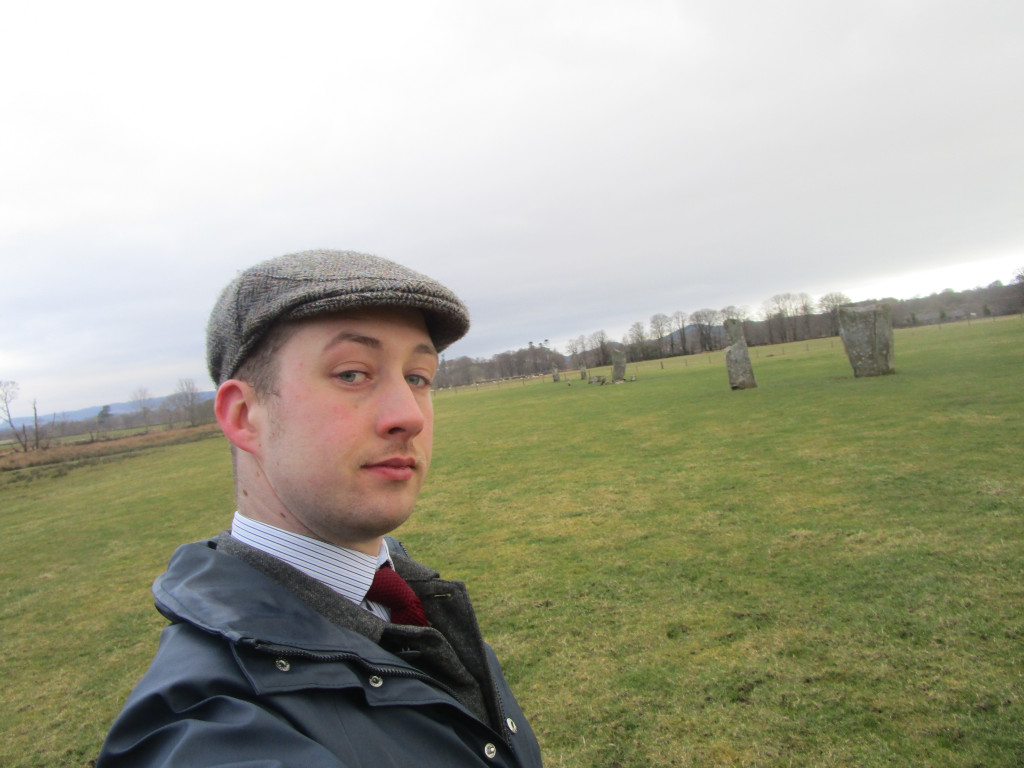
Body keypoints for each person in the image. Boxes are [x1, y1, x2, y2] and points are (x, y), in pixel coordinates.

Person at [97, 249, 544, 767]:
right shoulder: (209, 732)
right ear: (245, 416)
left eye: (418, 377)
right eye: (353, 374)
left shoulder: (405, 595)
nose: (409, 416)